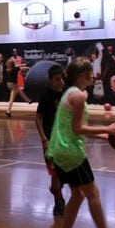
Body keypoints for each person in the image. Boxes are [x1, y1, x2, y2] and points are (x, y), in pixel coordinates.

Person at [45, 57, 115, 228]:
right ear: (83, 75)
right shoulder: (79, 96)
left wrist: (104, 136)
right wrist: (107, 128)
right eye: (91, 71)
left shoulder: (71, 93)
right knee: (93, 194)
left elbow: (75, 129)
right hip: (70, 152)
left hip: (60, 150)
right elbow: (78, 128)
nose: (94, 74)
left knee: (78, 194)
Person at [35, 64, 66, 217]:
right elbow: (38, 118)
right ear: (50, 80)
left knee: (60, 175)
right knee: (55, 174)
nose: (61, 82)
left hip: (65, 141)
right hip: (50, 142)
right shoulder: (46, 97)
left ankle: (58, 195)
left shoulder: (67, 94)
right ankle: (59, 201)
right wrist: (43, 139)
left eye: (62, 78)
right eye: (57, 79)